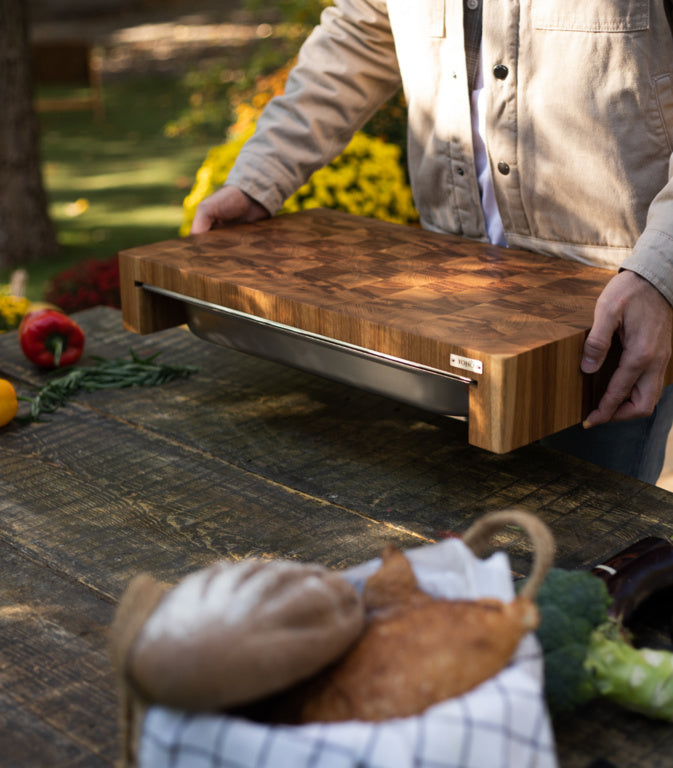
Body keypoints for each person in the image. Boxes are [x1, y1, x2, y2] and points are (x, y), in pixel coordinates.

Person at [190, 0, 673, 483]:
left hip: (614, 306)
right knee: (451, 529)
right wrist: (260, 177)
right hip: (449, 301)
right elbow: (364, 28)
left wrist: (658, 270)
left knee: (588, 543)